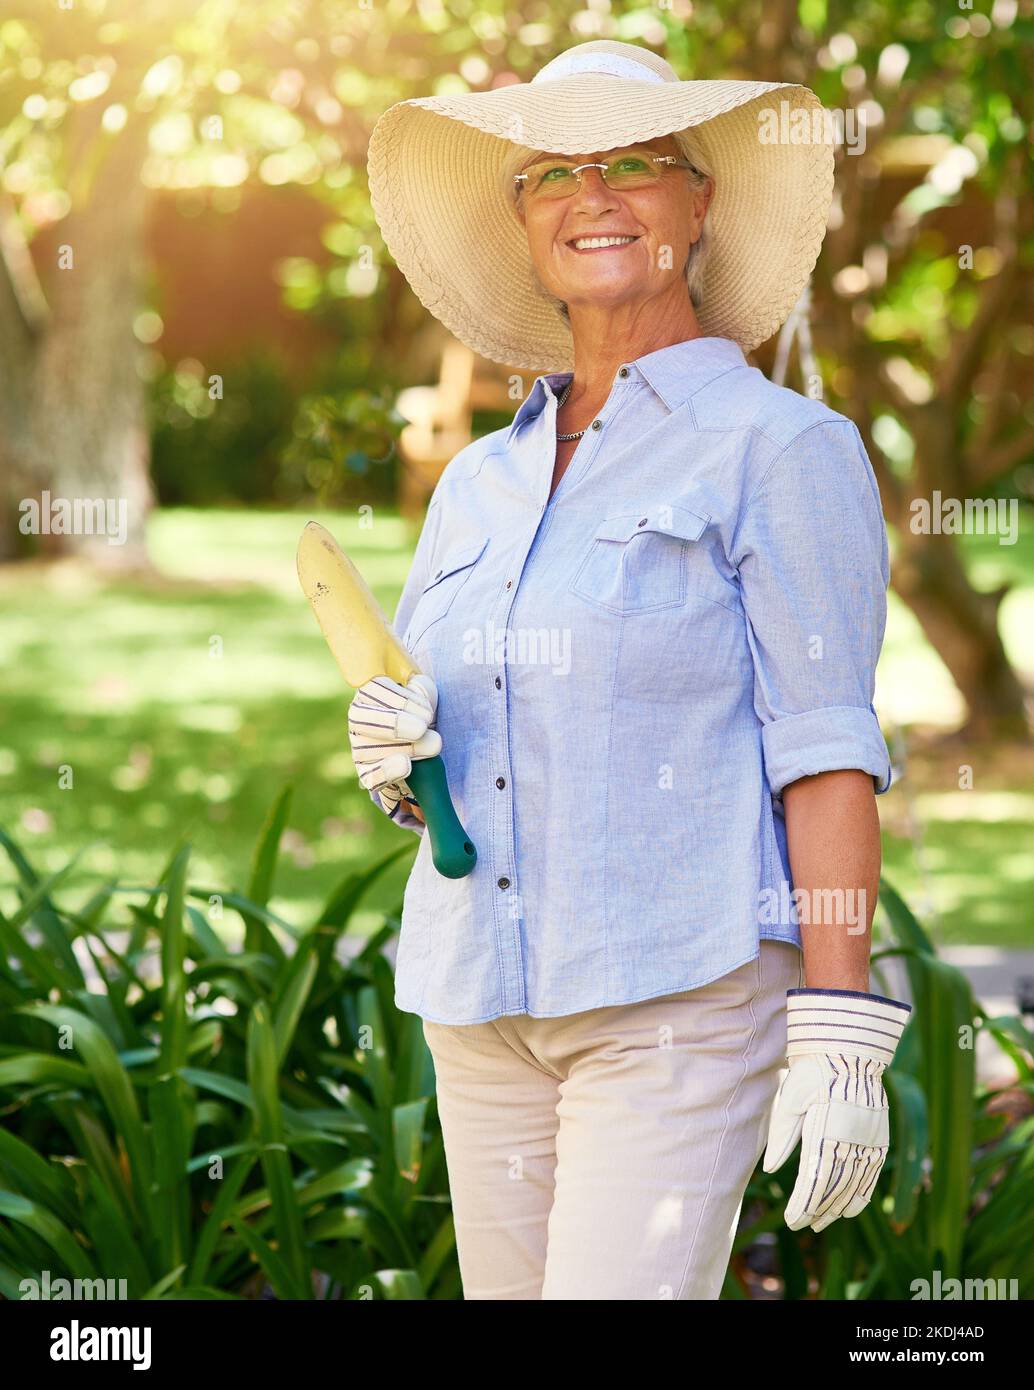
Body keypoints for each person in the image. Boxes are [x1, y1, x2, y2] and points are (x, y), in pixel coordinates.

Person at [347, 38, 912, 1300]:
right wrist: (394, 760)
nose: (591, 196)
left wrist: (836, 1030)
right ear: (521, 217)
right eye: (552, 172)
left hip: (676, 997)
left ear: (696, 203)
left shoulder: (779, 449)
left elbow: (824, 752)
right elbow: (457, 738)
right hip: (478, 1001)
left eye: (634, 164)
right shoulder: (479, 481)